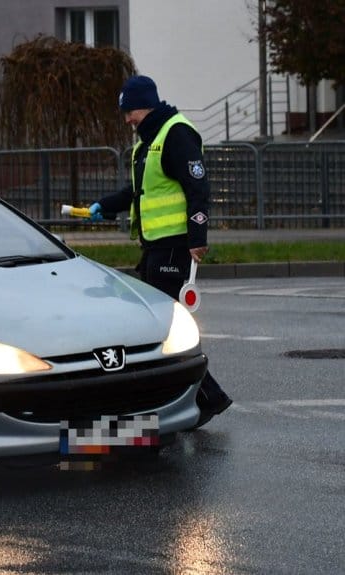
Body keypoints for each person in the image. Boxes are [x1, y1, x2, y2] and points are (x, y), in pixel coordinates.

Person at [88, 75, 232, 430]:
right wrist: (106, 205)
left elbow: (198, 188)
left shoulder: (175, 134)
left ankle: (197, 400)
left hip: (175, 247)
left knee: (160, 330)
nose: (127, 119)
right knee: (157, 328)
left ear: (146, 105)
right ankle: (203, 399)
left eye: (130, 111)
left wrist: (198, 237)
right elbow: (139, 191)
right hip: (155, 247)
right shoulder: (148, 143)